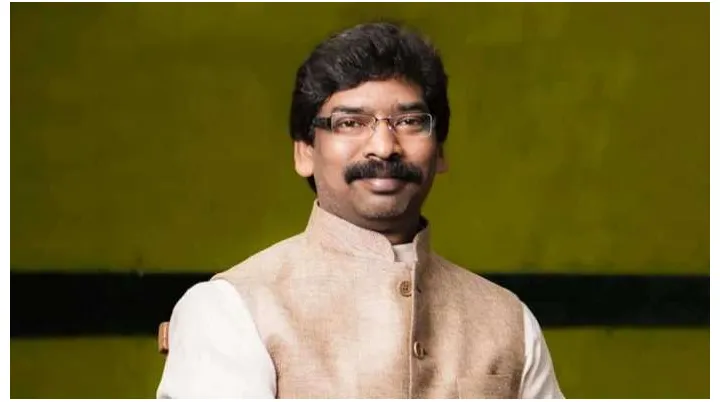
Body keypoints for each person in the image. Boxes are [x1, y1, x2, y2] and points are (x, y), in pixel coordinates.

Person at [156, 21, 564, 399]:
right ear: (305, 151)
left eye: (410, 121)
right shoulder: (231, 309)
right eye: (350, 123)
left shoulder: (509, 321)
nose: (384, 148)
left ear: (440, 151)